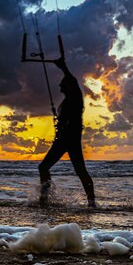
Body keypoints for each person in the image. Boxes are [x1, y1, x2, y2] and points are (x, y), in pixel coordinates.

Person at [38, 58, 96, 207]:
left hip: (70, 139)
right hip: (64, 139)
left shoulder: (76, 98)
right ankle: (45, 198)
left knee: (77, 170)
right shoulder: (66, 102)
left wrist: (64, 67)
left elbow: (73, 81)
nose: (59, 87)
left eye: (62, 84)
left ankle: (91, 201)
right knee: (46, 167)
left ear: (68, 86)